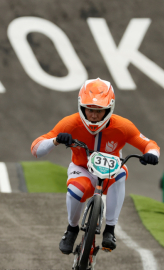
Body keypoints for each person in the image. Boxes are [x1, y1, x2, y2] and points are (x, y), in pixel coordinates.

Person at [31, 78, 160, 254]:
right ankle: (71, 229)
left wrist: (152, 155)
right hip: (82, 169)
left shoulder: (123, 126)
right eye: (90, 110)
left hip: (110, 171)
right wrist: (56, 140)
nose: (93, 115)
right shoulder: (70, 123)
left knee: (121, 173)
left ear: (109, 109)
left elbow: (149, 144)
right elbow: (36, 149)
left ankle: (110, 230)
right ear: (81, 107)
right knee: (76, 190)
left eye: (99, 111)